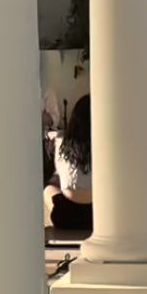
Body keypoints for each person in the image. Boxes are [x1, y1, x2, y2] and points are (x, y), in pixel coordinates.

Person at [44, 95, 92, 230]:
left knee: (49, 188)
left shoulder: (62, 143)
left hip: (65, 217)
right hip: (99, 216)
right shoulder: (106, 148)